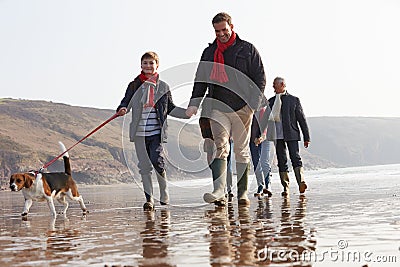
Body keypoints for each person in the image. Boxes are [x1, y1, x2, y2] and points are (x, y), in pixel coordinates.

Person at [186, 12, 266, 206]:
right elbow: (201, 79)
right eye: (217, 31)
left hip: (242, 107)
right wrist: (194, 103)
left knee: (241, 150)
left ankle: (242, 194)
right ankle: (219, 191)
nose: (221, 34)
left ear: (231, 26)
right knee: (220, 147)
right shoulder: (209, 52)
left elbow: (260, 78)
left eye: (224, 30)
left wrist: (252, 106)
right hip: (217, 106)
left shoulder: (247, 49)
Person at [116, 51, 188, 211]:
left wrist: (186, 113)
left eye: (151, 63)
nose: (148, 66)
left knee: (157, 161)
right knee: (144, 166)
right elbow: (125, 102)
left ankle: (164, 192)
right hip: (139, 134)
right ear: (141, 65)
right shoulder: (134, 85)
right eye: (145, 63)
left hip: (156, 133)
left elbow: (170, 108)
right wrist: (122, 109)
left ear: (157, 65)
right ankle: (149, 200)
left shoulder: (163, 86)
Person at [256, 77, 310, 196]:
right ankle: (286, 187)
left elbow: (301, 119)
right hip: (277, 135)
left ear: (282, 84)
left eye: (275, 84)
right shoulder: (270, 101)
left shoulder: (294, 100)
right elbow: (264, 119)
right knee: (282, 160)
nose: (273, 87)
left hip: (291, 134)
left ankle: (301, 182)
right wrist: (259, 135)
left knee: (295, 157)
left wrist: (307, 137)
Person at [249, 108, 272, 198]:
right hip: (252, 140)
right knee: (256, 163)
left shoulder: (262, 108)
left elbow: (265, 125)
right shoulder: (246, 108)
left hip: (264, 138)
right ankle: (260, 186)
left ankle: (268, 185)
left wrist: (261, 137)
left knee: (264, 162)